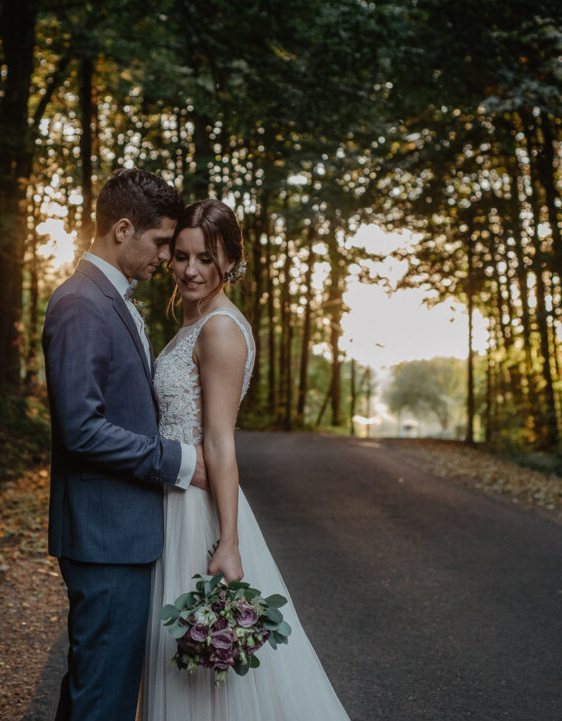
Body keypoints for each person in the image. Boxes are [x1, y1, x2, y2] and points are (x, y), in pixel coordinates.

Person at [141, 199, 351, 720]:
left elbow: (220, 441)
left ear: (231, 261)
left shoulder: (220, 329)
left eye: (206, 259)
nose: (190, 270)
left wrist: (228, 542)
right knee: (183, 663)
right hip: (170, 501)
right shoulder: (196, 319)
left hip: (195, 511)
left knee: (202, 669)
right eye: (182, 256)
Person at [42, 168, 209, 721]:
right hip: (104, 535)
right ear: (121, 229)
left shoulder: (111, 299)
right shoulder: (80, 304)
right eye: (162, 242)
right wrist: (178, 460)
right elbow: (82, 429)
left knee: (96, 687)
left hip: (116, 532)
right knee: (104, 699)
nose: (168, 257)